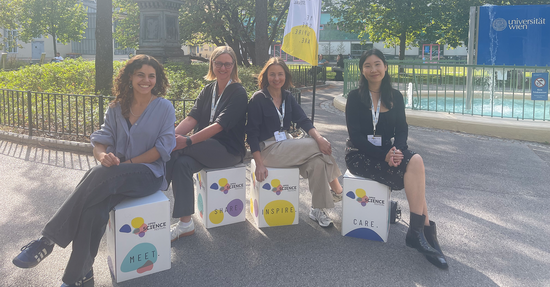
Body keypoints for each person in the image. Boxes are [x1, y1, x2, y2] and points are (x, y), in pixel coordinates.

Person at [12, 55, 176, 286]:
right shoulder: (117, 107)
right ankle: (78, 277)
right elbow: (100, 141)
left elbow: (162, 148)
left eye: (151, 76)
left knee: (98, 174)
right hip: (114, 177)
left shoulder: (164, 108)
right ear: (130, 76)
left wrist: (123, 167)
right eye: (141, 74)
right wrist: (102, 156)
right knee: (93, 211)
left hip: (147, 175)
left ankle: (46, 240)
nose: (146, 80)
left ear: (157, 80)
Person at [345, 49, 448, 269]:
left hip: (389, 151)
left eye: (377, 64)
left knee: (416, 161)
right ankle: (426, 233)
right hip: (360, 154)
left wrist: (397, 151)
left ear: (385, 67)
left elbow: (402, 129)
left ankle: (417, 231)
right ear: (362, 70)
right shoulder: (355, 97)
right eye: (367, 65)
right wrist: (385, 155)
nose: (373, 69)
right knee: (412, 176)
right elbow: (355, 136)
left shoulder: (395, 96)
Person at [246, 57, 343, 228]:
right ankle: (338, 191)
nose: (276, 78)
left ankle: (317, 209)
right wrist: (259, 164)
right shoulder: (258, 99)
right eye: (272, 74)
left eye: (280, 74)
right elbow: (251, 134)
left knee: (317, 162)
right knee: (317, 144)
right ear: (265, 76)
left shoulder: (288, 97)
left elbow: (303, 121)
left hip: (287, 146)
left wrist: (318, 137)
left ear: (286, 76)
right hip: (268, 150)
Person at [167, 46, 248, 241]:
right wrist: (168, 138)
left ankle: (154, 185)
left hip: (227, 150)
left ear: (233, 66)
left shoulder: (238, 92)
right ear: (212, 64)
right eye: (218, 63)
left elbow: (220, 126)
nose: (222, 68)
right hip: (203, 149)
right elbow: (191, 119)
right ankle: (185, 223)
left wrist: (187, 141)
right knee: (181, 164)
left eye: (227, 64)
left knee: (176, 152)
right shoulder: (208, 89)